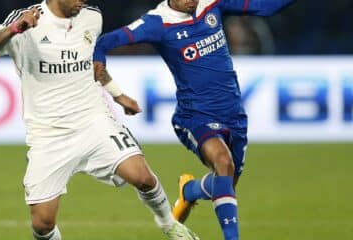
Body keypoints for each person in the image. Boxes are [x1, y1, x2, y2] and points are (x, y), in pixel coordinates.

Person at [0, 1, 200, 240]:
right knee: (42, 223)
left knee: (143, 178)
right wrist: (14, 30)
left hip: (93, 121)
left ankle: (170, 225)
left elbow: (91, 64)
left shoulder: (92, 17)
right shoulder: (26, 19)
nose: (81, 2)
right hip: (49, 134)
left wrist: (118, 94)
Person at [93, 0, 295, 239]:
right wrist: (101, 63)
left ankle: (190, 190)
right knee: (223, 162)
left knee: (225, 182)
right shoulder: (157, 22)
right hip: (195, 115)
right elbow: (106, 41)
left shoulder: (212, 4)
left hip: (234, 113)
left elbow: (265, 7)